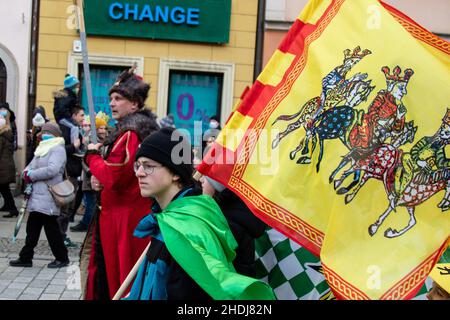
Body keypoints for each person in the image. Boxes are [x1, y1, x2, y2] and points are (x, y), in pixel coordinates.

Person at [125, 127, 274, 300]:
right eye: (138, 165)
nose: (139, 173)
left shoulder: (190, 229)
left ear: (175, 173)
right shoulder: (166, 219)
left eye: (148, 166)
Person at [82, 67, 159, 299]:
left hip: (124, 220)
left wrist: (92, 156)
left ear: (134, 104)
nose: (112, 104)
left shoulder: (130, 134)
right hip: (121, 215)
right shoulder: (132, 131)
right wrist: (99, 179)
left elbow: (114, 176)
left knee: (121, 278)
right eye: (111, 99)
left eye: (119, 99)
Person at [9, 122, 69, 269]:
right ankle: (26, 257)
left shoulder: (58, 149)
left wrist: (32, 175)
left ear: (54, 134)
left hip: (48, 195)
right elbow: (30, 166)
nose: (44, 134)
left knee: (52, 230)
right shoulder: (42, 148)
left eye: (47, 132)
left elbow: (52, 170)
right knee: (32, 229)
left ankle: (62, 258)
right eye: (43, 132)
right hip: (37, 196)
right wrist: (25, 173)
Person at [200, 174, 267, 277]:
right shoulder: (234, 216)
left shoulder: (227, 225)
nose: (201, 180)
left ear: (219, 186)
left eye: (207, 177)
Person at [71, 115, 109, 232]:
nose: (103, 131)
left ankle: (90, 224)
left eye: (104, 128)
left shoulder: (108, 141)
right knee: (90, 202)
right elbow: (84, 159)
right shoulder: (90, 142)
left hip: (102, 176)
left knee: (95, 203)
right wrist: (91, 171)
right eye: (100, 128)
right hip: (89, 177)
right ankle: (86, 223)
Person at [58, 105, 85, 248]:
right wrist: (74, 146)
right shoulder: (66, 130)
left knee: (69, 209)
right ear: (74, 116)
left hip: (73, 173)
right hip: (68, 174)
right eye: (81, 115)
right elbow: (60, 150)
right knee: (65, 208)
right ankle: (59, 237)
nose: (83, 118)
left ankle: (61, 236)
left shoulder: (76, 130)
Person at [53, 74, 82, 155]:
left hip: (62, 117)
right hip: (62, 117)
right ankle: (75, 147)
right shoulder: (66, 95)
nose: (78, 88)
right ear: (72, 86)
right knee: (74, 127)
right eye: (76, 86)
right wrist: (70, 117)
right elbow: (63, 108)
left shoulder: (69, 95)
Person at [0, 106, 19, 217]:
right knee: (4, 189)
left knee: (4, 189)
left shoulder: (2, 137)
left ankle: (13, 209)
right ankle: (11, 208)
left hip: (3, 167)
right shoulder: (7, 134)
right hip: (5, 166)